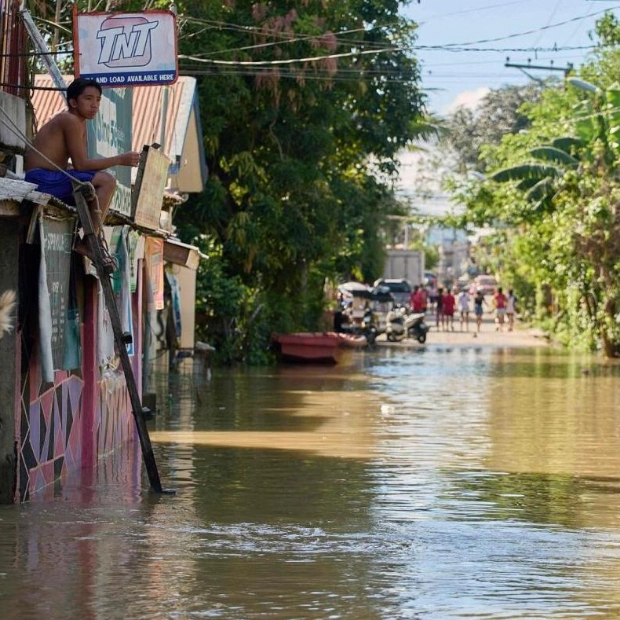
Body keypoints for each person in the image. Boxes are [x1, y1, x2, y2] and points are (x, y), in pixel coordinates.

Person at [24, 78, 140, 262]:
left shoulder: (80, 122)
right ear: (73, 102)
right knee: (107, 181)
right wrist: (120, 159)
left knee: (94, 188)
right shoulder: (69, 119)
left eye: (98, 100)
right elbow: (82, 165)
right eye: (88, 99)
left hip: (52, 177)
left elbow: (76, 165)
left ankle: (83, 237)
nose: (95, 105)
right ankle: (88, 241)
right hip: (41, 180)